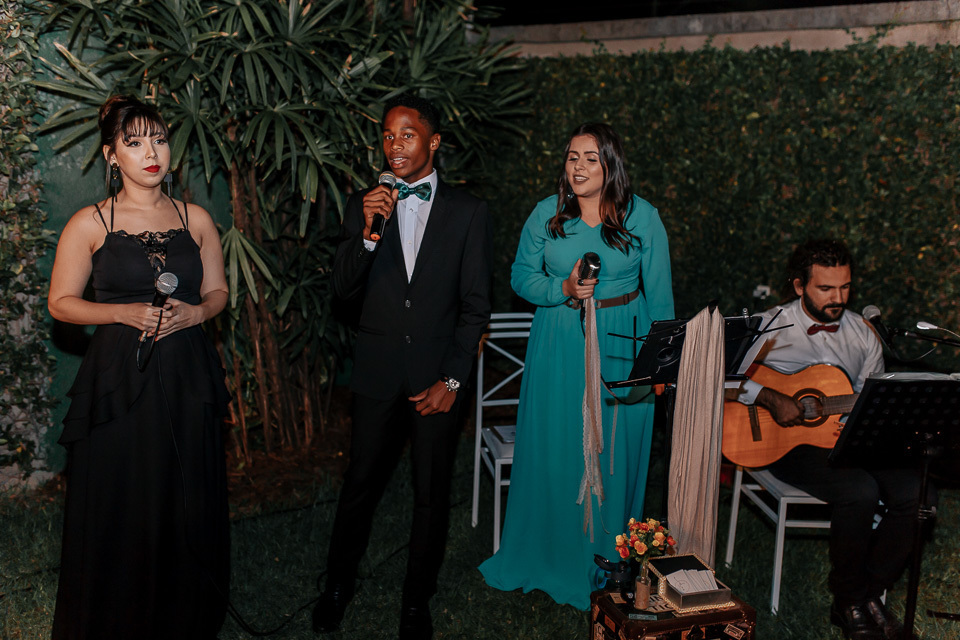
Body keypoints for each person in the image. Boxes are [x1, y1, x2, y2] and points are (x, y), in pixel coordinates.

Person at [47, 95, 231, 639]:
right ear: (112, 155)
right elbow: (60, 303)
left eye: (159, 139)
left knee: (184, 497)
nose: (151, 153)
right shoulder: (90, 223)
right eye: (134, 143)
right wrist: (121, 312)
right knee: (123, 499)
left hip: (188, 376)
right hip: (119, 383)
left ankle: (183, 617)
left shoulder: (196, 219)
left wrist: (197, 312)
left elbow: (219, 292)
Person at [313, 93, 492, 639]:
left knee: (430, 495)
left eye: (407, 135)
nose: (394, 145)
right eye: (388, 135)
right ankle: (336, 586)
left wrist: (452, 380)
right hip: (377, 375)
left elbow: (475, 308)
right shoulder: (363, 205)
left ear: (433, 141)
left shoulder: (468, 212)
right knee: (359, 485)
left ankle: (416, 602)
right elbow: (341, 290)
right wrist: (369, 234)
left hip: (437, 379)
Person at [479, 123, 674, 610]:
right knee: (557, 447)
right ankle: (548, 555)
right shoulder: (547, 214)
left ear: (611, 164)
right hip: (558, 343)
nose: (579, 167)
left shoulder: (642, 216)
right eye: (572, 157)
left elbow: (661, 297)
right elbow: (520, 277)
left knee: (615, 454)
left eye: (591, 157)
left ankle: (610, 558)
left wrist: (660, 365)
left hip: (623, 343)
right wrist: (561, 289)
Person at [732, 238, 924, 640]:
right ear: (799, 286)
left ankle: (868, 592)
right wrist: (769, 397)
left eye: (845, 287)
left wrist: (861, 420)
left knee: (918, 492)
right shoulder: (769, 324)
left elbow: (868, 393)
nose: (838, 298)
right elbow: (724, 378)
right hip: (785, 443)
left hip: (844, 438)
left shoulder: (862, 334)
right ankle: (849, 599)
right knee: (859, 491)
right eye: (825, 288)